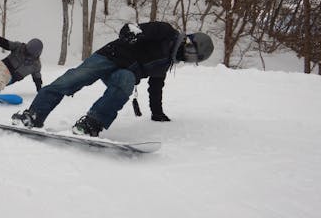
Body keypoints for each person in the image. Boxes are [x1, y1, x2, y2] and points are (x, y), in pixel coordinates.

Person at [11, 21, 214, 137]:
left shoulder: (165, 64)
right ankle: (34, 115)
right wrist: (130, 34)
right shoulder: (166, 32)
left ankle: (91, 124)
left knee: (126, 81)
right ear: (188, 41)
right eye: (190, 53)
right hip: (110, 56)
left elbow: (156, 88)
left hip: (123, 73)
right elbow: (136, 29)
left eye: (193, 59)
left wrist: (157, 113)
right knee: (73, 79)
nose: (187, 58)